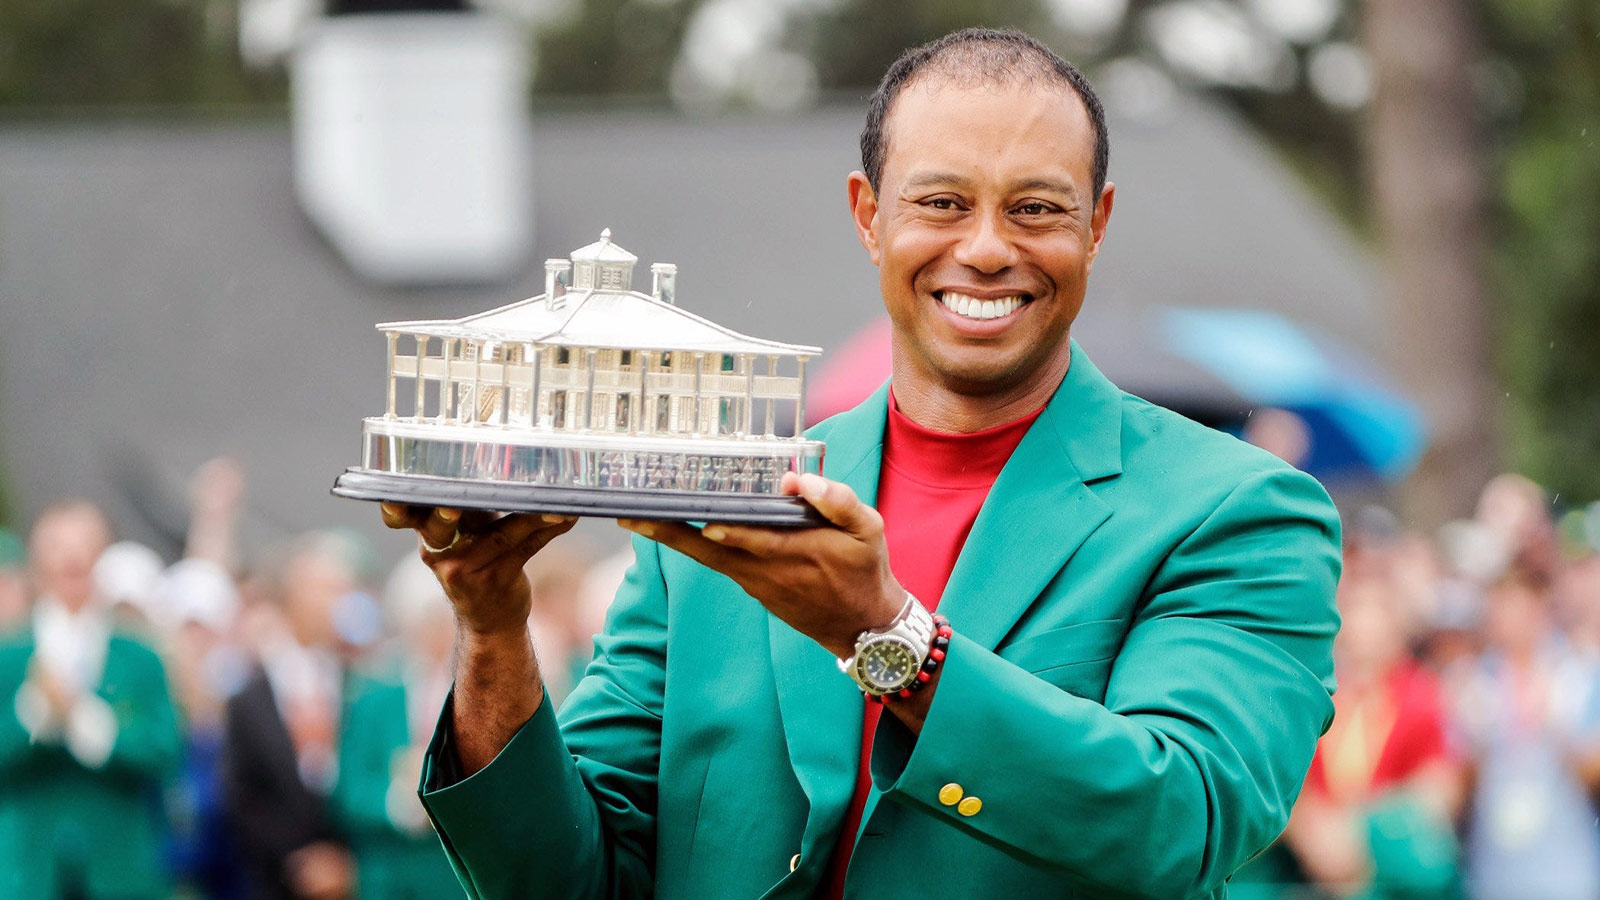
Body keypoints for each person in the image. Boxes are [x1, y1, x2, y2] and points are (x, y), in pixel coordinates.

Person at [383, 27, 1341, 900]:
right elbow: (564, 881)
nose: (986, 248)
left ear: (1096, 224)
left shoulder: (1237, 511)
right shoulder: (712, 509)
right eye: (942, 202)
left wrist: (888, 638)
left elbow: (1184, 824)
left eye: (1036, 208)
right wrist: (491, 625)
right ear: (868, 216)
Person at [0, 501, 183, 900]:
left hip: (121, 874)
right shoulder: (9, 656)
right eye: (57, 547)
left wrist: (87, 721)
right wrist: (35, 712)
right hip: (29, 873)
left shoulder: (140, 656)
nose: (72, 558)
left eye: (85, 544)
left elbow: (165, 751)